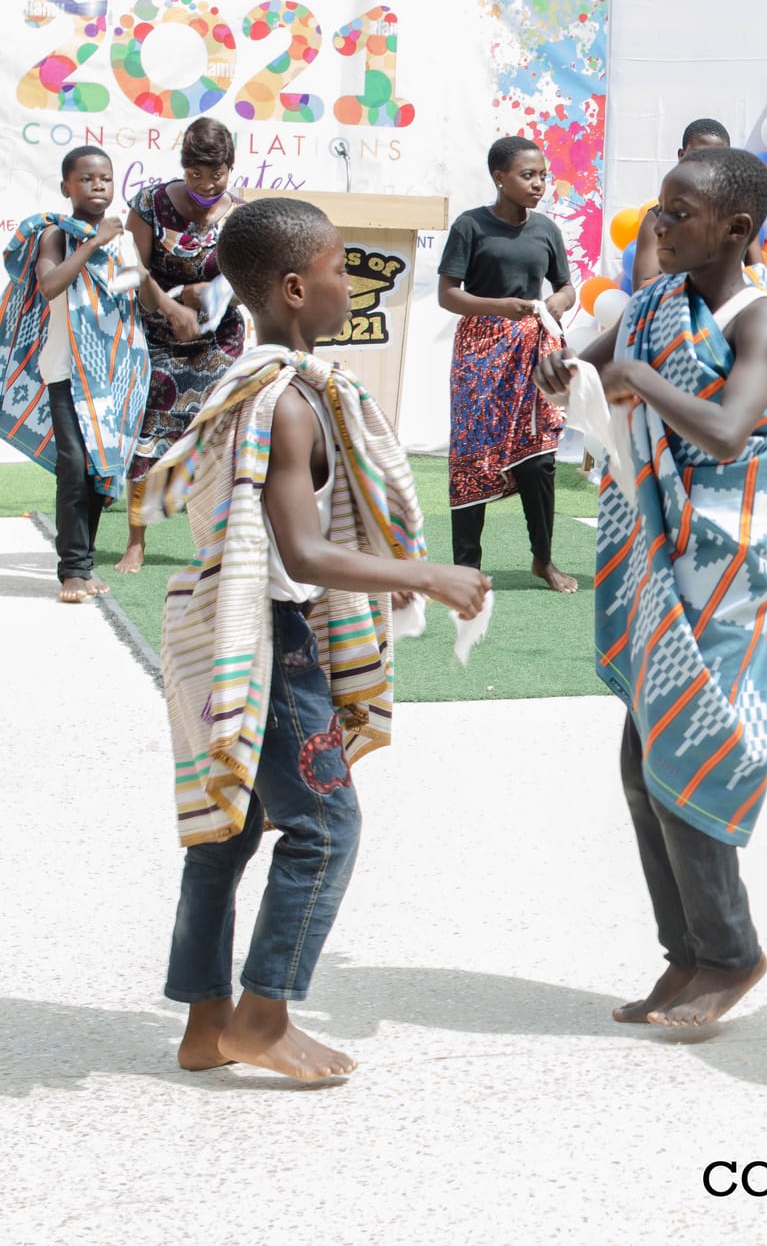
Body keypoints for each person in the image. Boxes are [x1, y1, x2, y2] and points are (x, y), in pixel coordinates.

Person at [145, 197, 489, 1082]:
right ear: (296, 288)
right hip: (268, 639)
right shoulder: (289, 403)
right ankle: (263, 1017)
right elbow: (301, 551)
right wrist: (428, 573)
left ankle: (205, 1025)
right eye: (342, 268)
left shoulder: (255, 384)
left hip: (215, 627)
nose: (351, 283)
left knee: (228, 830)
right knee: (328, 827)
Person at [536, 147, 767, 1031]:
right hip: (661, 550)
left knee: (690, 745)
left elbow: (730, 431)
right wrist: (566, 373)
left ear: (736, 229)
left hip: (735, 564)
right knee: (641, 761)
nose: (658, 226)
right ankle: (689, 951)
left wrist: (638, 379)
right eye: (660, 209)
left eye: (678, 213)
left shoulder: (759, 319)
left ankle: (733, 953)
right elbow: (591, 369)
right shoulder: (655, 302)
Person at [0, 146, 150, 602]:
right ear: (67, 187)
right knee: (73, 466)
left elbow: (134, 296)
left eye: (105, 178)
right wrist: (93, 242)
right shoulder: (56, 236)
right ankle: (72, 570)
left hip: (113, 375)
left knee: (99, 471)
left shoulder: (122, 238)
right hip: (65, 370)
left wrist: (158, 292)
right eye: (86, 179)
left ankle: (84, 566)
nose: (97, 185)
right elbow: (50, 286)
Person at [439, 136, 579, 591]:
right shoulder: (470, 225)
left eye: (543, 176)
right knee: (473, 455)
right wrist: (499, 307)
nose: (539, 184)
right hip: (479, 353)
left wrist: (558, 302)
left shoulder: (546, 229)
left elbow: (566, 287)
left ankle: (543, 560)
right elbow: (448, 295)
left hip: (532, 350)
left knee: (539, 457)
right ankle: (466, 567)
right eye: (528, 175)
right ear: (500, 178)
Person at [118, 117, 247, 574]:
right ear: (183, 167)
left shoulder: (241, 216)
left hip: (218, 341)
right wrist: (174, 304)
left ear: (231, 168)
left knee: (219, 442)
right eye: (196, 174)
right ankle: (136, 541)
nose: (207, 185)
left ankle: (215, 545)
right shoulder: (150, 204)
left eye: (217, 174)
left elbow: (245, 281)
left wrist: (212, 294)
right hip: (157, 335)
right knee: (147, 436)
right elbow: (131, 271)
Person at [633, 119, 731, 289]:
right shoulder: (657, 219)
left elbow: (759, 280)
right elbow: (642, 288)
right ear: (681, 155)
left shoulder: (738, 214)